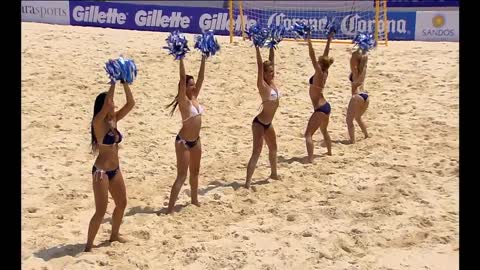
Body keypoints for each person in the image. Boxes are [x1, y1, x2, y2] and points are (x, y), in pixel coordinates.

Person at [85, 81, 135, 252]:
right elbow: (107, 103)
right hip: (101, 172)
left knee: (122, 203)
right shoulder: (98, 123)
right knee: (101, 211)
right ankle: (88, 246)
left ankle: (114, 235)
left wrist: (125, 83)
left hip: (115, 170)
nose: (114, 104)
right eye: (111, 102)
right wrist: (112, 81)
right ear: (104, 106)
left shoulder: (113, 120)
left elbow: (131, 104)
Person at [166, 55, 206, 214]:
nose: (194, 86)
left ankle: (194, 200)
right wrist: (181, 58)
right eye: (191, 85)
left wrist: (203, 57)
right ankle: (169, 209)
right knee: (182, 176)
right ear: (184, 87)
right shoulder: (183, 101)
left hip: (196, 141)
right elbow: (182, 79)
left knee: (195, 172)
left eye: (194, 84)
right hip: (183, 142)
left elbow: (202, 77)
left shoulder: (195, 97)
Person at [245, 46, 280, 189]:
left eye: (273, 71)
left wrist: (272, 46)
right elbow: (259, 66)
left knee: (273, 148)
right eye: (270, 72)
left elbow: (272, 60)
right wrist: (257, 48)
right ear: (264, 74)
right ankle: (247, 182)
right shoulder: (262, 85)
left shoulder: (272, 83)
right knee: (257, 151)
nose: (272, 73)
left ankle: (274, 173)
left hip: (268, 123)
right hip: (259, 124)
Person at [304, 32, 335, 161]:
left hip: (320, 109)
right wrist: (328, 41)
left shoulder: (318, 72)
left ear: (320, 64)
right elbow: (325, 55)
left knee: (308, 134)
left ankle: (310, 159)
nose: (317, 60)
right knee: (324, 131)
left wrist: (309, 41)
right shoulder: (325, 71)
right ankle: (329, 152)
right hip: (326, 106)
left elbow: (311, 56)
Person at [346, 47, 370, 144]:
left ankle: (352, 141)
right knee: (358, 118)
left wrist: (355, 53)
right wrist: (362, 47)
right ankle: (366, 135)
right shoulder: (364, 68)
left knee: (349, 120)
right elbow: (363, 57)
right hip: (366, 96)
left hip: (357, 96)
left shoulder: (355, 71)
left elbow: (352, 60)